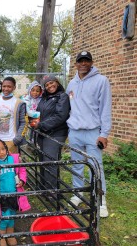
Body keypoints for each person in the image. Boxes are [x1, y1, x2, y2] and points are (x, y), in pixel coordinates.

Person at [66, 51, 111, 218]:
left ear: (92, 62)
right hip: (75, 132)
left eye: (87, 60)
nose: (83, 64)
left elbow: (105, 108)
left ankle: (101, 200)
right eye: (80, 61)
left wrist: (104, 133)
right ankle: (78, 194)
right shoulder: (72, 83)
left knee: (96, 166)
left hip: (93, 132)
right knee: (77, 165)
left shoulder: (101, 81)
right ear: (76, 64)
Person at [30, 75, 70, 192]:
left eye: (51, 83)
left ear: (57, 82)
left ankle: (52, 192)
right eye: (47, 85)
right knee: (43, 160)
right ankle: (44, 188)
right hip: (43, 133)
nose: (50, 86)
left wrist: (41, 125)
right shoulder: (45, 98)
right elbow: (39, 113)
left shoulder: (62, 97)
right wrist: (34, 120)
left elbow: (60, 116)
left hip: (56, 133)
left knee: (50, 162)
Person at [0, 140, 29, 246]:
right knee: (4, 217)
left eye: (3, 149)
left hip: (14, 193)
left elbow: (22, 170)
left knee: (12, 215)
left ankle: (11, 235)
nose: (1, 152)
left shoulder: (13, 159)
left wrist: (22, 180)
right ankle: (2, 237)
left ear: (6, 148)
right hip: (2, 195)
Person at [0, 77, 26, 154]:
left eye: (9, 86)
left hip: (10, 141)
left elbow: (23, 122)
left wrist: (16, 140)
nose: (6, 89)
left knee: (10, 164)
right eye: (4, 86)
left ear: (14, 87)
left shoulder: (19, 103)